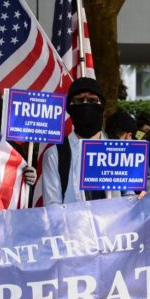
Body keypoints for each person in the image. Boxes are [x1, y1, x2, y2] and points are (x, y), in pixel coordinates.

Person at [42, 77, 119, 205]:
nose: (85, 104)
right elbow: (52, 207)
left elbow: (130, 198)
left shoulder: (120, 149)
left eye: (92, 100)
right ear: (69, 109)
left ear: (102, 106)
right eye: (78, 100)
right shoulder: (55, 154)